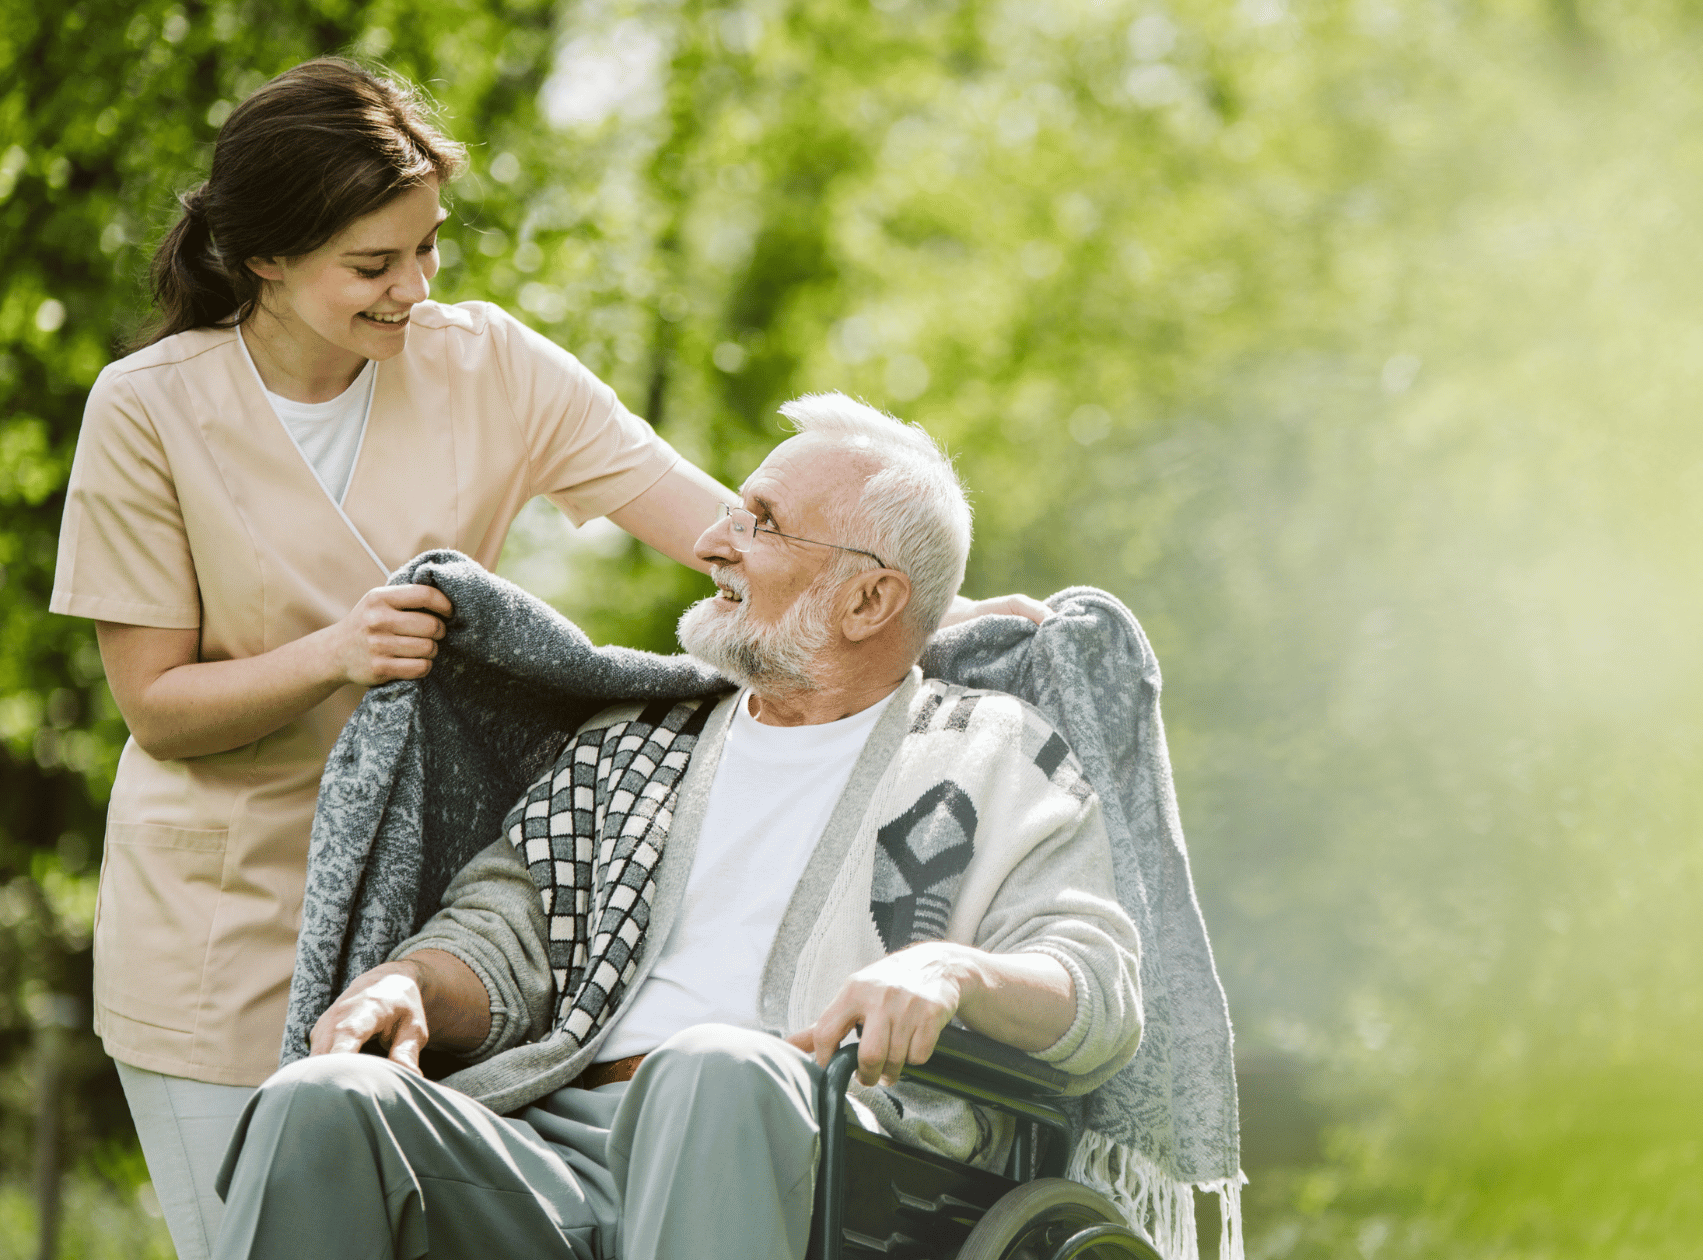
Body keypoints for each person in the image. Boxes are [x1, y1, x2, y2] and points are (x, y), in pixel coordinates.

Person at [47, 59, 1039, 1260]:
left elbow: (727, 532)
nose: (412, 289)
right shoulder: (146, 409)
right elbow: (157, 707)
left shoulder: (489, 366)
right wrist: (334, 654)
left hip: (428, 900)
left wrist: (939, 605)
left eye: (427, 250)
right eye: (373, 265)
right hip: (223, 922)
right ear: (265, 258)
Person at [210, 395, 1142, 1259]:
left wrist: (951, 970)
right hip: (553, 1150)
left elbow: (1097, 986)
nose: (712, 541)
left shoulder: (989, 755)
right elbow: (500, 938)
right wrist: (408, 982)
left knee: (712, 1068)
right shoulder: (633, 746)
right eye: (732, 513)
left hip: (835, 1160)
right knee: (324, 1100)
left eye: (761, 523)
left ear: (870, 600)